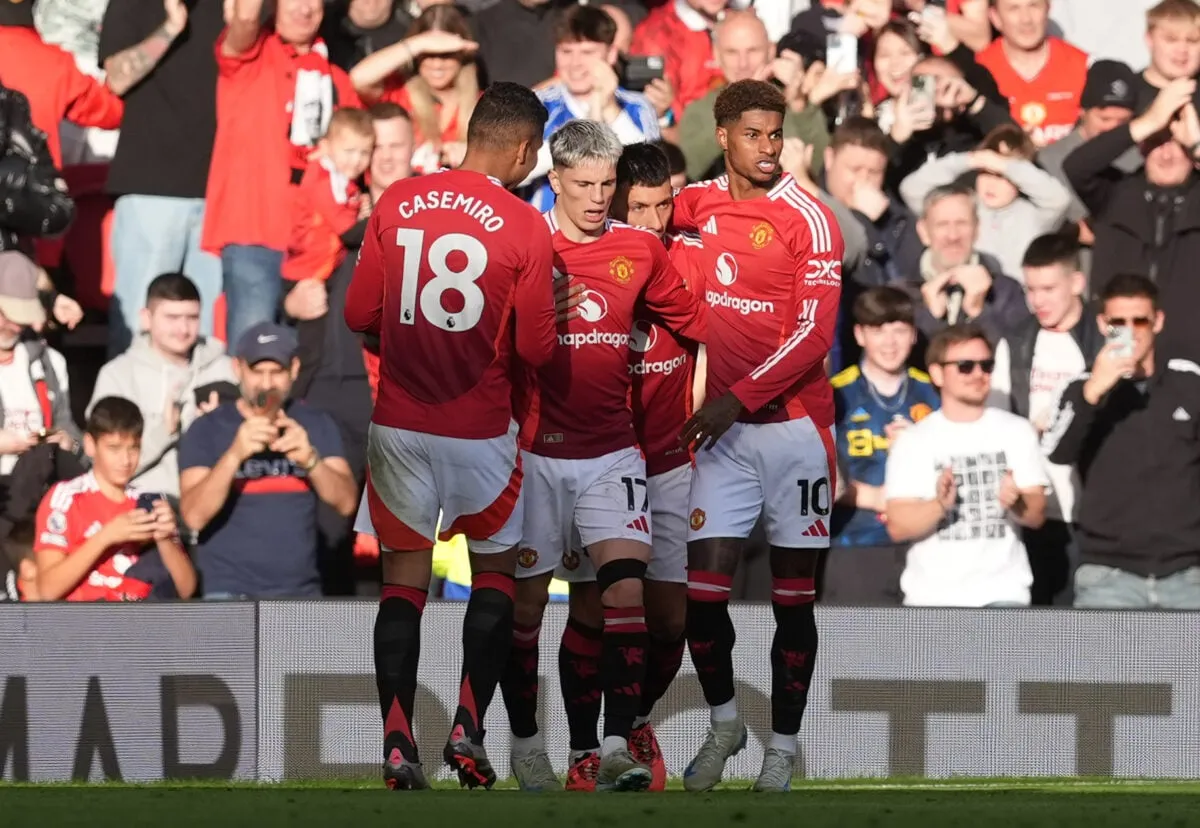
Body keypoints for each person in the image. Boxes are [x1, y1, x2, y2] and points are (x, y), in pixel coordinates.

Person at [343, 82, 558, 791]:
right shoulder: (527, 226)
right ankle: (468, 727)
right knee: (495, 575)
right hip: (481, 429)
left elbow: (357, 313)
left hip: (400, 421)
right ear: (525, 147)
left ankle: (397, 742)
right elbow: (535, 349)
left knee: (402, 584)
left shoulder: (398, 200)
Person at [501, 121, 706, 794]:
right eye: (583, 184)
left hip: (614, 453)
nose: (596, 198)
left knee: (624, 598)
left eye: (606, 184)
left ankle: (612, 746)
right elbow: (476, 343)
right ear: (554, 180)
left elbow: (703, 321)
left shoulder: (641, 251)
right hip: (536, 457)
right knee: (529, 614)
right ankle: (531, 744)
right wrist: (526, 316)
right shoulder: (523, 247)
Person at [668, 79, 845, 792]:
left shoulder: (811, 218)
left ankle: (783, 746)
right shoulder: (695, 206)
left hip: (796, 432)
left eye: (776, 134)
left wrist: (731, 400)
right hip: (729, 439)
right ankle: (724, 722)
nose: (768, 148)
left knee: (791, 600)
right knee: (702, 597)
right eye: (754, 134)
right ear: (723, 134)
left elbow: (814, 338)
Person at [201, 0, 359, 348]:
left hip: (314, 242)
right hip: (254, 230)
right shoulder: (249, 56)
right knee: (253, 349)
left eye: (314, 0)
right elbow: (244, 20)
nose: (304, 8)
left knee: (304, 353)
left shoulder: (335, 79)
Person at [1044, 274, 1200, 610]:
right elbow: (1056, 452)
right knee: (1105, 665)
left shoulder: (1188, 382)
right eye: (1119, 322)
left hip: (1187, 571)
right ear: (1102, 325)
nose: (1130, 331)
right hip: (1108, 572)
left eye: (1140, 320)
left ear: (1157, 321)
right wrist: (1093, 393)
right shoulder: (1080, 388)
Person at [177, 322, 357, 599]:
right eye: (257, 371)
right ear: (237, 369)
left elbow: (346, 503)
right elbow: (193, 516)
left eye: (277, 372)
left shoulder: (315, 424)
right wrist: (234, 454)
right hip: (227, 592)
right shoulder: (207, 429)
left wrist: (311, 461)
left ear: (294, 370)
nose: (266, 383)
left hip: (301, 593)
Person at [884, 324, 1049, 607]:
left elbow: (1036, 516)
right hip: (932, 600)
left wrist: (1017, 502)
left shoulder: (1018, 431)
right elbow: (898, 526)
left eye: (986, 365)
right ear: (937, 373)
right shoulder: (913, 440)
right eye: (965, 366)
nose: (978, 375)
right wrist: (939, 505)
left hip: (1004, 595)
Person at [99, 0, 227, 356]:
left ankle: (200, 412)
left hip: (220, 189)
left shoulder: (235, 7)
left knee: (206, 337)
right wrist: (171, 26)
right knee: (138, 327)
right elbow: (117, 78)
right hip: (151, 187)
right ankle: (130, 412)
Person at [989, 234, 1100, 604]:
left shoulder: (1102, 340)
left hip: (1093, 513)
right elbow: (997, 420)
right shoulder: (1016, 341)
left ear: (1077, 283)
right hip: (1034, 513)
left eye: (1049, 288)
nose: (1037, 300)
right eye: (1030, 289)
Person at [1063, 79, 1200, 362]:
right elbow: (1076, 166)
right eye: (1156, 141)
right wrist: (1147, 122)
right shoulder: (1116, 193)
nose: (1167, 154)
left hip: (1191, 360)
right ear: (1141, 147)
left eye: (1178, 144)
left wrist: (1197, 144)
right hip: (1119, 348)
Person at [827, 286, 940, 605]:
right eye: (878, 330)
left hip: (924, 543)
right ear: (860, 335)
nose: (890, 342)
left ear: (914, 335)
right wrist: (869, 496)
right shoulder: (836, 394)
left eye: (900, 330)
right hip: (856, 544)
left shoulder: (932, 391)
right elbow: (815, 474)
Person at [87, 273, 236, 501]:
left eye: (192, 318)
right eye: (172, 318)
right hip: (142, 506)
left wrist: (217, 429)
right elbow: (103, 468)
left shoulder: (226, 370)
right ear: (146, 318)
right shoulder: (118, 375)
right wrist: (164, 431)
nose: (183, 329)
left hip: (213, 504)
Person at [33, 396, 196, 602]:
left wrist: (165, 539)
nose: (126, 460)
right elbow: (47, 591)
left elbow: (187, 590)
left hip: (139, 626)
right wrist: (105, 537)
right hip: (81, 626)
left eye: (133, 448)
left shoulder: (148, 501)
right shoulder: (65, 498)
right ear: (90, 445)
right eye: (114, 448)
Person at [524, 4, 662, 211]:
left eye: (588, 52)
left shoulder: (637, 107)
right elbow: (515, 171)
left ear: (611, 54)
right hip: (544, 229)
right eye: (566, 51)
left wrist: (609, 109)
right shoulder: (537, 105)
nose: (575, 63)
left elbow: (651, 177)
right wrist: (591, 120)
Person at [899, 123, 1071, 284]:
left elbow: (1059, 199)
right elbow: (911, 189)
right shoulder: (965, 208)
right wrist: (969, 160)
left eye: (1002, 177)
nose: (992, 184)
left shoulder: (1034, 216)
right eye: (985, 173)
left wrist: (1007, 166)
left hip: (1017, 308)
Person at [282, 107, 375, 400]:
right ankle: (293, 403)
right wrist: (385, 218)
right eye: (349, 151)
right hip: (307, 275)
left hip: (322, 271)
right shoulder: (323, 179)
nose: (357, 161)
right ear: (327, 145)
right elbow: (347, 232)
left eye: (364, 152)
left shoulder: (339, 179)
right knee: (310, 352)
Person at [348, 5, 480, 174]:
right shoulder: (399, 93)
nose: (437, 64)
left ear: (463, 55)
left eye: (446, 55)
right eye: (428, 54)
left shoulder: (483, 107)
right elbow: (359, 78)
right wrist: (420, 43)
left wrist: (472, 157)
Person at [975, 0, 1089, 147]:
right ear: (995, 17)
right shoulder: (979, 69)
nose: (1026, 19)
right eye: (1013, 9)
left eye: (1034, 6)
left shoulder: (1083, 65)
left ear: (1048, 9)